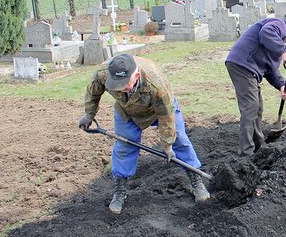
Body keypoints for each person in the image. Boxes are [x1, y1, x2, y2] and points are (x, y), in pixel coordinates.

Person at [78, 54, 210, 214]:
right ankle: (120, 190)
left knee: (179, 140)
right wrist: (89, 115)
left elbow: (166, 116)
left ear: (136, 75)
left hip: (159, 110)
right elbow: (93, 93)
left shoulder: (157, 85)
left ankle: (196, 180)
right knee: (124, 147)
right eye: (117, 85)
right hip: (127, 112)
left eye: (125, 84)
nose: (121, 88)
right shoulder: (103, 74)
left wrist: (167, 145)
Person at [225, 15, 286, 156]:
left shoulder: (276, 44)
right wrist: (284, 52)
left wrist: (282, 85)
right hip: (242, 64)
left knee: (257, 107)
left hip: (249, 69)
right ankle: (245, 152)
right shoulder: (279, 24)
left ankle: (258, 145)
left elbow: (271, 71)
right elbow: (266, 32)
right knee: (250, 106)